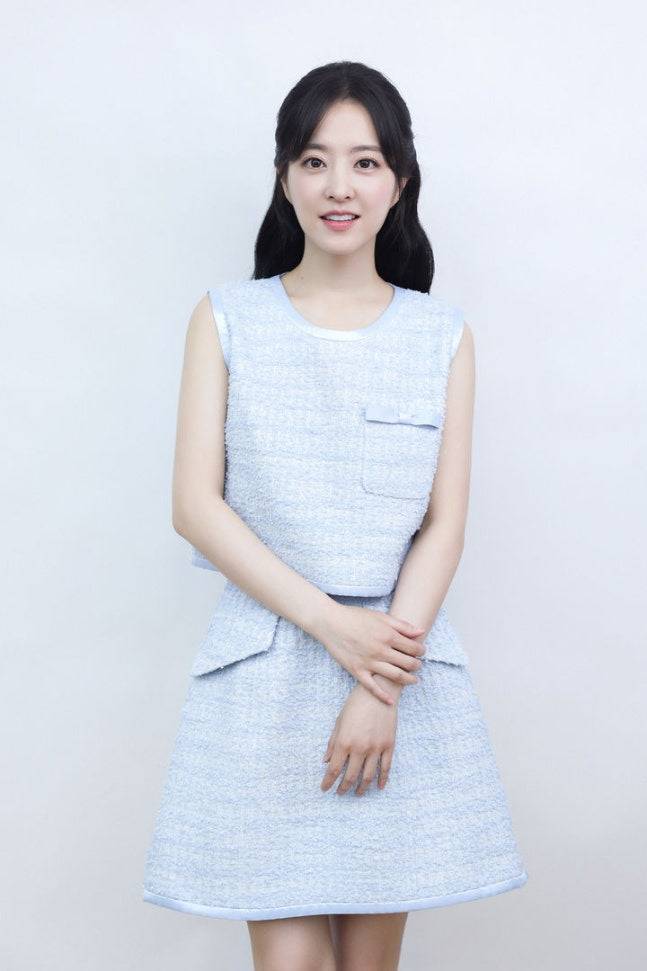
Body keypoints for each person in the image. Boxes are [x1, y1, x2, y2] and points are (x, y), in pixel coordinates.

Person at [142, 60, 528, 971]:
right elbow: (195, 507)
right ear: (284, 178)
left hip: (393, 676)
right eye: (314, 162)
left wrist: (377, 684)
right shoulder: (227, 318)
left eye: (364, 162)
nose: (338, 186)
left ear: (399, 181)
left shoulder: (440, 334)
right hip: (265, 677)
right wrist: (333, 627)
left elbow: (442, 526)